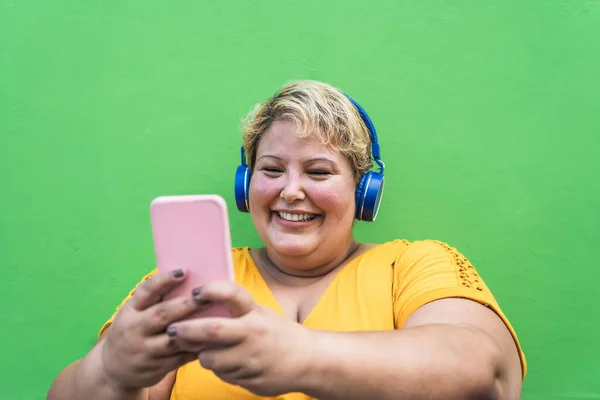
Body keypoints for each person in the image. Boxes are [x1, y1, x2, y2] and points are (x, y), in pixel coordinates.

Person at [48, 80, 526, 400]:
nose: (289, 190)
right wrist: (110, 370)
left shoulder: (416, 264)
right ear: (246, 186)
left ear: (363, 192)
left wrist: (296, 355)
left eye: (318, 171)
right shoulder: (189, 279)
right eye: (271, 170)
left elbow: (485, 373)